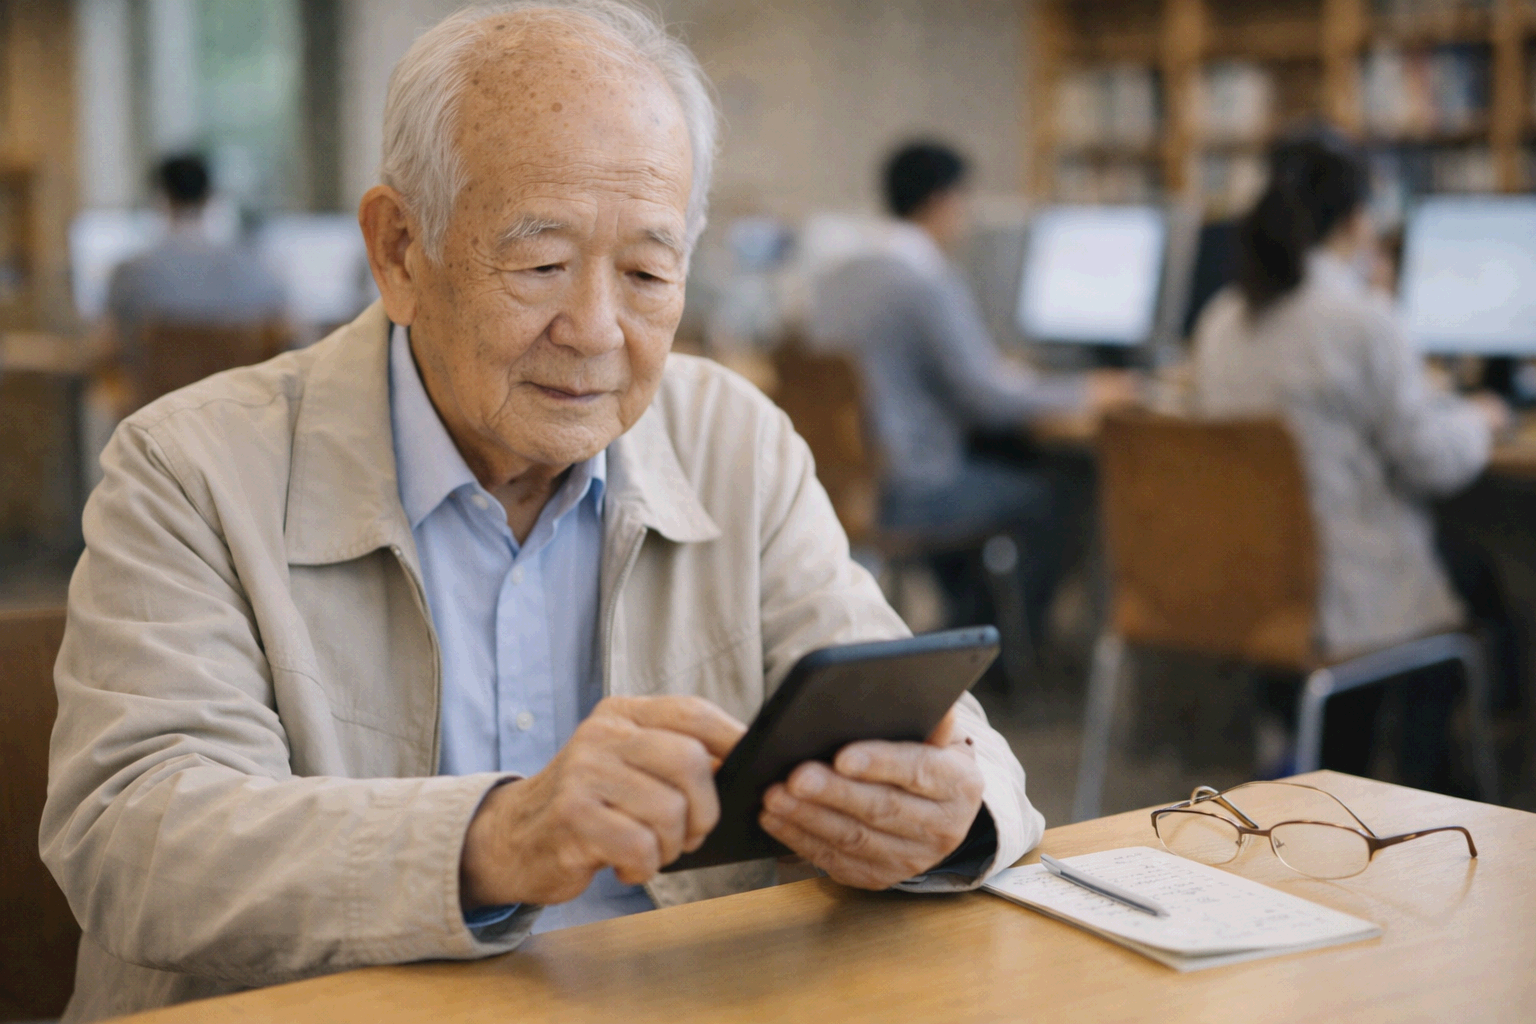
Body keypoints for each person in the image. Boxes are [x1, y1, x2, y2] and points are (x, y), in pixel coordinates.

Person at [40, 5, 1045, 1021]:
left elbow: (948, 736)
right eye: (541, 265)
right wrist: (497, 837)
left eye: (649, 273)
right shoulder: (191, 467)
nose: (597, 329)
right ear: (398, 250)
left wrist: (947, 810)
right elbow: (132, 837)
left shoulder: (735, 440)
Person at [1190, 134, 1509, 791]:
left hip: (1251, 588)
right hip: (1342, 595)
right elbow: (1431, 461)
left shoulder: (1220, 319)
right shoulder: (1360, 318)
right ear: (1359, 219)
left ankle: (1343, 765)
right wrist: (1482, 419)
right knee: (1481, 581)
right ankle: (1434, 790)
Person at [810, 141, 1136, 638]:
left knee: (1003, 466)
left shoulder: (840, 276)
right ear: (945, 201)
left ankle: (962, 627)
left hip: (851, 486)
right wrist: (1088, 391)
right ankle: (998, 645)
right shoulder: (925, 281)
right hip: (910, 488)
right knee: (1064, 490)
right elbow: (987, 398)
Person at [102, 153, 287, 377]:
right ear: (210, 197)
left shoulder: (131, 273)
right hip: (238, 405)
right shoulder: (253, 268)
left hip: (158, 406)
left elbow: (106, 345)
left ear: (161, 198)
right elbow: (288, 332)